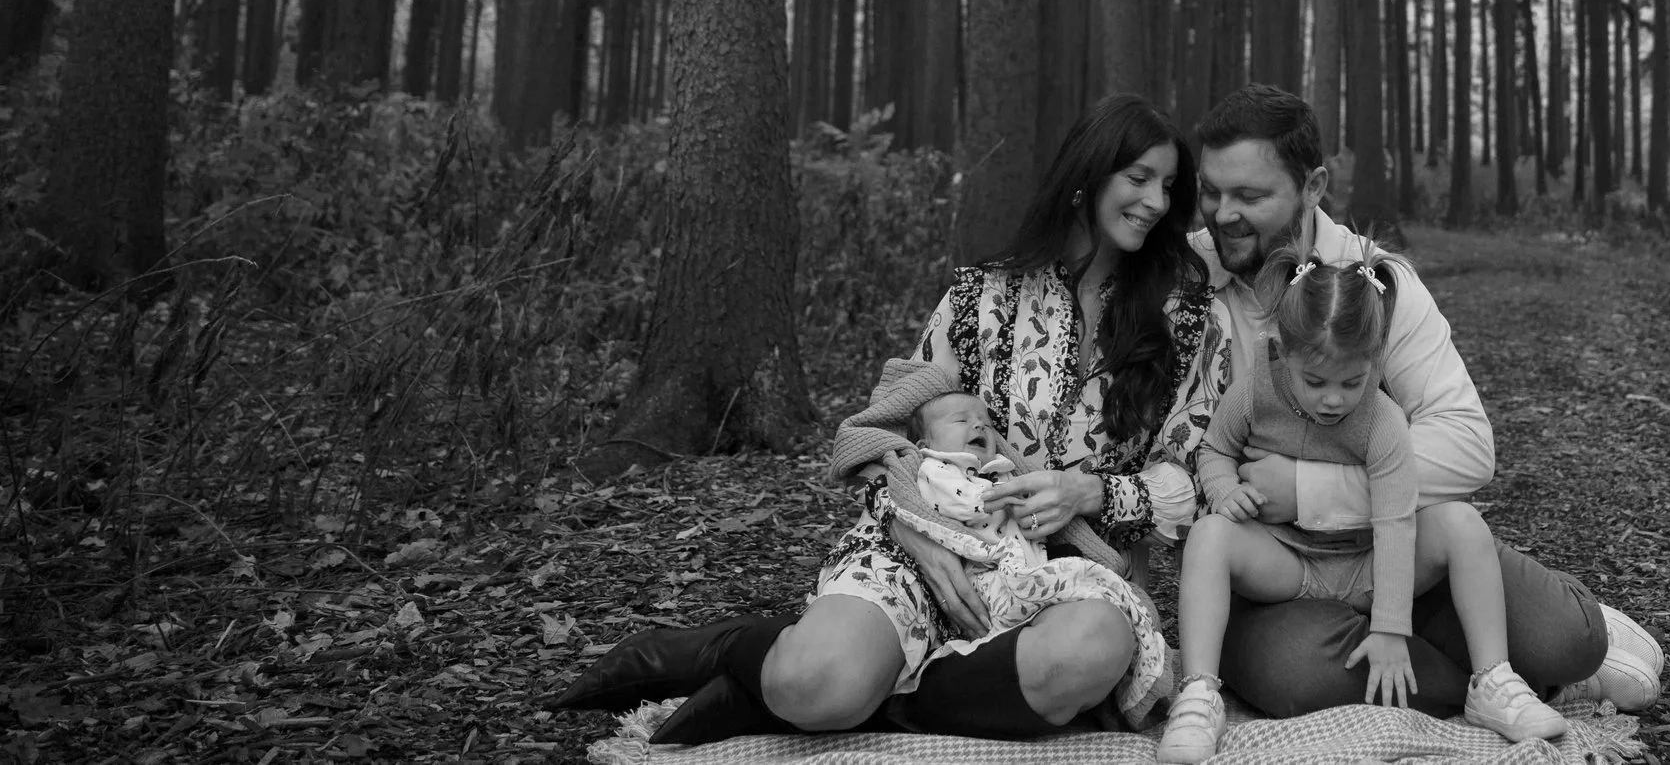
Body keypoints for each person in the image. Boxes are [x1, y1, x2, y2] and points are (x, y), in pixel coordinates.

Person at [552, 93, 1223, 745]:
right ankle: (734, 651)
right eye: (1139, 178)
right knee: (811, 680)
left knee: (1094, 649)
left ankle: (870, 699)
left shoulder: (1181, 315)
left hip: (1059, 583)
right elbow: (879, 436)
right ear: (1088, 174)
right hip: (922, 548)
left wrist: (1090, 491)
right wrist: (916, 530)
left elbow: (1187, 480)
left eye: (1168, 185)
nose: (1157, 202)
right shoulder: (978, 298)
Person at [1188, 83, 1664, 720]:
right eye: (1212, 192)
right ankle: (1513, 685)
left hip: (1394, 544)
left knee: (1567, 639)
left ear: (1313, 187)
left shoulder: (1375, 283)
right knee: (1294, 675)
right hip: (1273, 573)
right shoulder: (1186, 285)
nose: (1223, 215)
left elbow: (1469, 444)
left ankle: (1540, 655)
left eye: (1250, 196)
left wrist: (1311, 489)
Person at [1157, 254, 1567, 764]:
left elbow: (1396, 521)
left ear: (1375, 359)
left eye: (1353, 382)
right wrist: (1222, 490)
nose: (1334, 400)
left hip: (1369, 564)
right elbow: (1214, 449)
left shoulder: (1382, 419)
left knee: (1463, 524)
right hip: (1289, 561)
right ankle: (1199, 695)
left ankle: (1492, 681)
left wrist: (1390, 628)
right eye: (1317, 382)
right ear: (1284, 353)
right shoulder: (1256, 390)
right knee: (1209, 537)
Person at [818, 366, 1172, 727]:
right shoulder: (935, 468)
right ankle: (881, 686)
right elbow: (950, 498)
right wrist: (1002, 499)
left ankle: (1097, 672)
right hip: (963, 567)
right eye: (962, 420)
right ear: (925, 445)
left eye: (986, 422)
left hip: (1018, 571)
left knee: (1098, 613)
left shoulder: (1001, 469)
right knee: (824, 674)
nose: (980, 426)